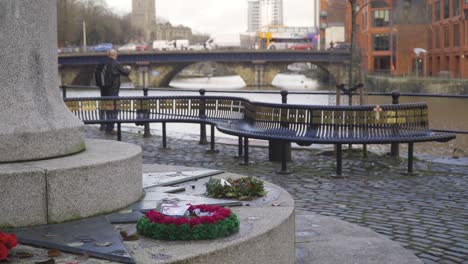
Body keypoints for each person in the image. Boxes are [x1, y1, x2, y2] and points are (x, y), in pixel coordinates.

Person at [101, 49, 131, 134]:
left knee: (107, 109)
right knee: (114, 110)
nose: (117, 56)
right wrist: (128, 68)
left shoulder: (103, 64)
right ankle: (110, 128)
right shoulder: (116, 64)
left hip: (105, 91)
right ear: (114, 55)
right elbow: (125, 72)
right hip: (113, 91)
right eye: (116, 54)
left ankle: (107, 127)